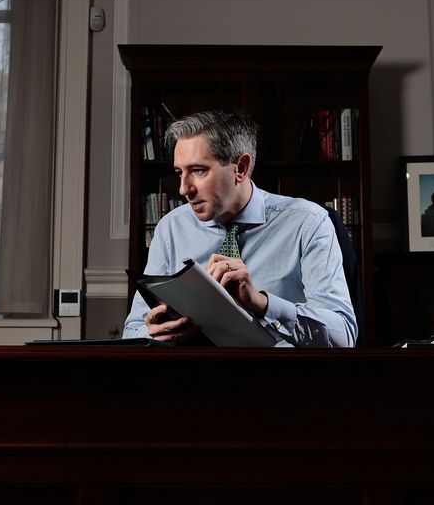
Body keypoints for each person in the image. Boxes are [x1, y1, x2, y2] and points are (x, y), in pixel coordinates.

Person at [122, 110, 357, 347]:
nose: (184, 189)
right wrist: (155, 332)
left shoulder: (308, 223)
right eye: (179, 172)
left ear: (241, 168)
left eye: (198, 170)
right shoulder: (171, 228)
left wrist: (262, 304)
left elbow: (343, 336)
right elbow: (132, 331)